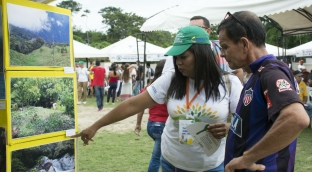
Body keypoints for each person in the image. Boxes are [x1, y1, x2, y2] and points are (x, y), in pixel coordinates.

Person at [72, 26, 243, 172]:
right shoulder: (170, 79)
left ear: (202, 55)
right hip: (173, 163)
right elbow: (132, 104)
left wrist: (229, 127)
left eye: (183, 57)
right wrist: (96, 126)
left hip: (212, 165)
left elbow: (246, 121)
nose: (178, 63)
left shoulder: (230, 83)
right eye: (176, 58)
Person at [217, 11, 310, 172]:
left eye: (225, 47)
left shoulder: (271, 72)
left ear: (244, 44)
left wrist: (248, 158)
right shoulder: (258, 73)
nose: (222, 54)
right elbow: (262, 121)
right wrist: (232, 128)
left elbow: (296, 118)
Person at [134, 59, 167, 172]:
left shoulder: (149, 87)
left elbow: (140, 108)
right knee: (158, 158)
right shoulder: (168, 88)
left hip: (151, 125)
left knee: (161, 156)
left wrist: (138, 123)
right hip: (163, 126)